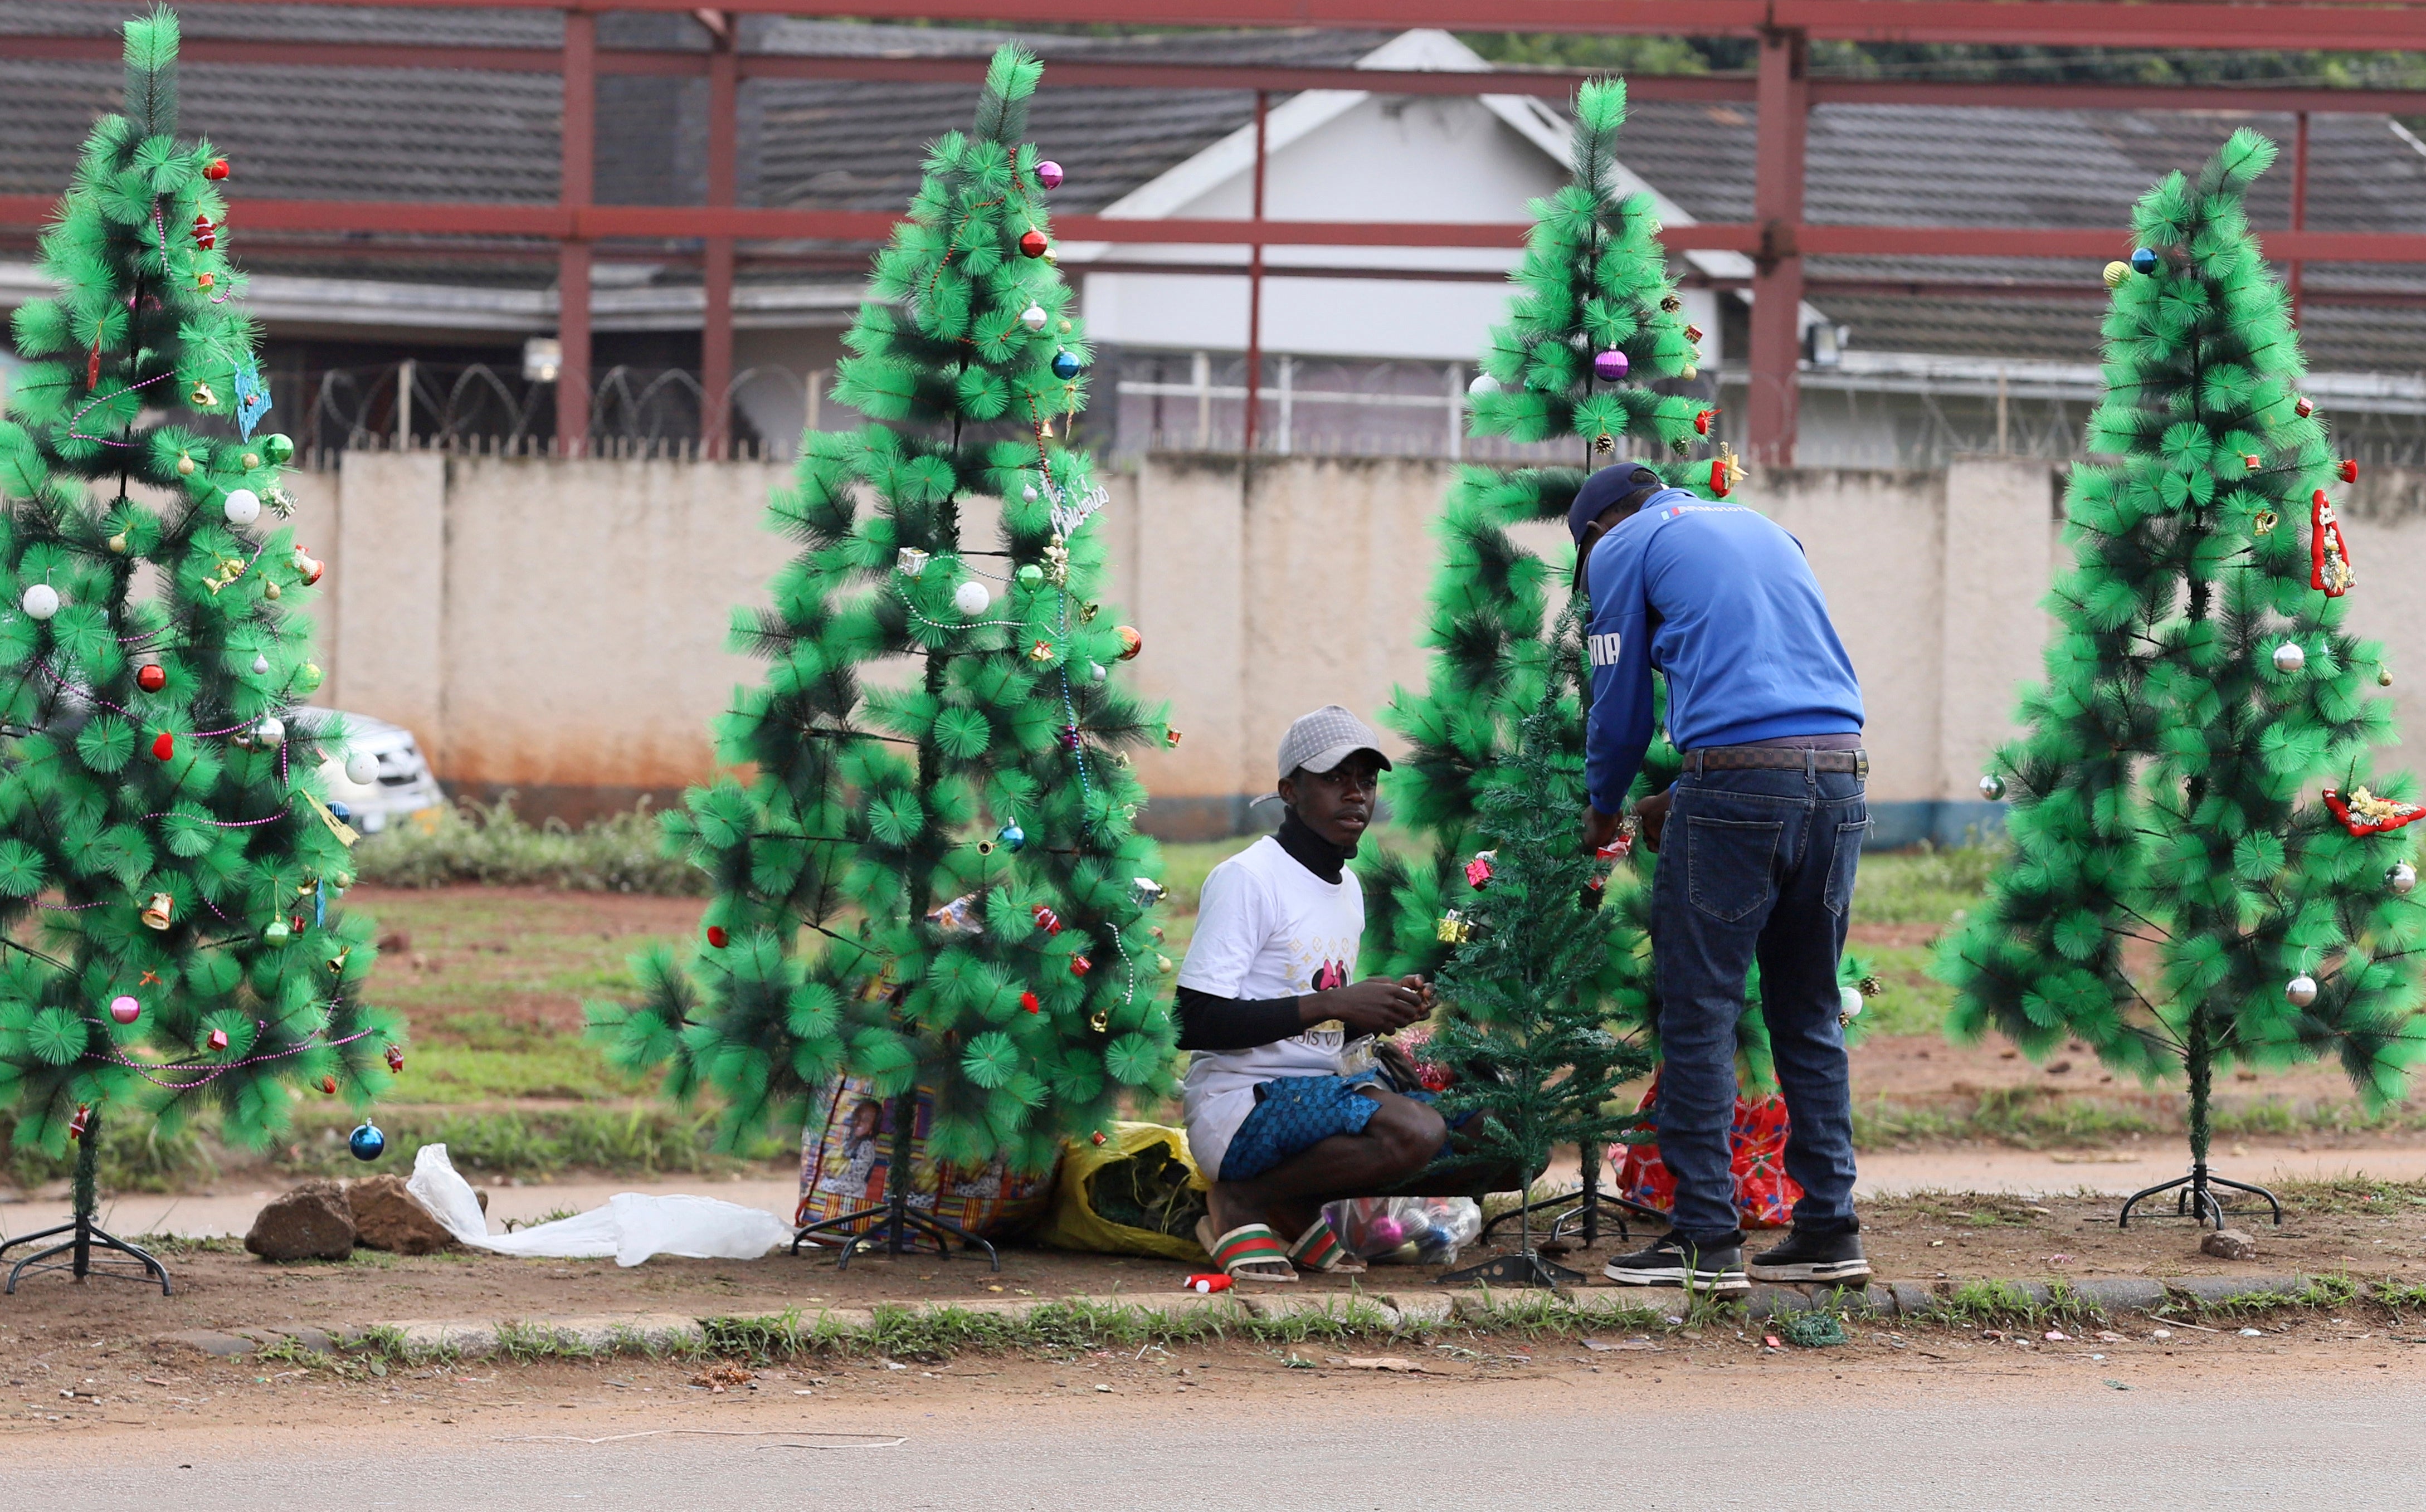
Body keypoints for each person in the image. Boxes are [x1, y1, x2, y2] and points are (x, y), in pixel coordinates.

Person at [1572, 461, 1872, 1294]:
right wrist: (1690, 791)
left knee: (1699, 1009)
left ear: (1595, 531)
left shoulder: (1619, 545)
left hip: (1739, 782)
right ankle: (1828, 1228)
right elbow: (1783, 704)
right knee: (1807, 1007)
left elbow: (1619, 699)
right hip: (1841, 776)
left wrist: (1603, 808)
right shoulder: (1765, 528)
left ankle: (1703, 1236)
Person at [1175, 705, 1458, 1282]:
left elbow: (1314, 1025)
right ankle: (1244, 1202)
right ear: (1289, 789)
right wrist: (1335, 1002)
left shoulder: (1346, 887)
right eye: (1334, 778)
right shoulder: (1247, 878)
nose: (1355, 794)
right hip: (1241, 1103)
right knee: (1417, 1130)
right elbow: (1194, 1022)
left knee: (1487, 1130)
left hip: (1318, 1092)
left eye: (1366, 779)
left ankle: (1290, 1205)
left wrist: (1373, 1017)